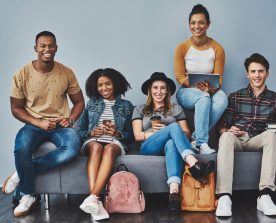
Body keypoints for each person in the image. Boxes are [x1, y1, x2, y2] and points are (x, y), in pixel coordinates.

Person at [1, 31, 85, 217]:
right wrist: (38, 122)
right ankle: (28, 194)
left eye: (51, 45)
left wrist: (70, 119)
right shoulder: (21, 74)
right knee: (21, 148)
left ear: (56, 48)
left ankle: (20, 174)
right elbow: (16, 108)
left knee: (72, 148)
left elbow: (79, 102)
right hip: (34, 123)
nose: (47, 49)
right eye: (43, 46)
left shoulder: (66, 72)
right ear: (36, 48)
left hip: (61, 125)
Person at [215, 53, 276, 217]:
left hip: (257, 139)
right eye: (253, 71)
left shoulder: (275, 99)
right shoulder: (235, 96)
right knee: (225, 137)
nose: (257, 75)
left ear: (267, 73)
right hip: (237, 138)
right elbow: (221, 127)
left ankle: (264, 195)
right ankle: (224, 197)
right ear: (247, 74)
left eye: (261, 71)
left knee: (271, 135)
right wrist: (228, 131)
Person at [132, 72, 215, 212]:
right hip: (149, 146)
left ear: (167, 90)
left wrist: (168, 130)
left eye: (162, 88)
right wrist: (154, 133)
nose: (159, 91)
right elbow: (137, 135)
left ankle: (174, 193)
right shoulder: (140, 109)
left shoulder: (175, 108)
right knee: (173, 127)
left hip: (170, 147)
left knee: (171, 141)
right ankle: (193, 163)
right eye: (155, 88)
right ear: (150, 90)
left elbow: (186, 133)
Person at [77, 68, 134, 221]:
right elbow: (79, 131)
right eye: (100, 85)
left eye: (108, 84)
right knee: (96, 147)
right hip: (93, 141)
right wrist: (90, 134)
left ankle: (93, 198)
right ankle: (95, 199)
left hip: (114, 142)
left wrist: (117, 134)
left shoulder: (127, 106)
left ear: (115, 84)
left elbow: (131, 136)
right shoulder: (91, 104)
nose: (104, 88)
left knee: (108, 149)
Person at [174, 4, 228, 154]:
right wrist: (194, 86)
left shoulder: (218, 48)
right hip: (187, 91)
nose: (196, 26)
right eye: (193, 23)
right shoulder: (182, 47)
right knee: (203, 97)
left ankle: (196, 138)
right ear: (189, 24)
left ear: (208, 24)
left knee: (222, 99)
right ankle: (202, 143)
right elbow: (179, 77)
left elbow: (220, 79)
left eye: (201, 22)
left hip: (209, 89)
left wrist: (211, 89)